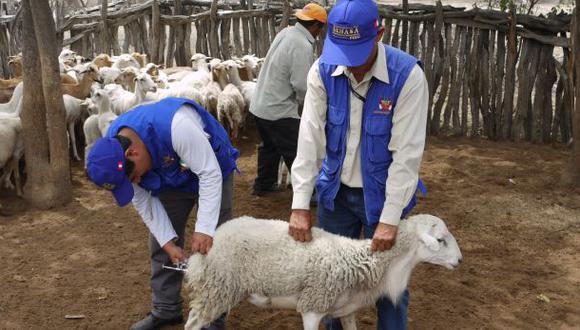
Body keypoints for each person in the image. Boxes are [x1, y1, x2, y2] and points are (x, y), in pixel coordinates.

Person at [288, 0, 429, 329]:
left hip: (382, 198)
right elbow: (309, 139)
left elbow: (407, 154)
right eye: (342, 52)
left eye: (357, 53)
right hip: (335, 196)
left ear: (379, 33)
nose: (350, 65)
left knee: (389, 287)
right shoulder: (322, 70)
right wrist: (299, 204)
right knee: (332, 281)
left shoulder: (407, 76)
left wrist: (390, 219)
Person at [86, 97, 239, 330]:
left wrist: (204, 229)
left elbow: (209, 174)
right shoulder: (115, 152)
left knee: (215, 244)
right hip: (171, 175)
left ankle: (213, 316)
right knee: (160, 245)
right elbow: (145, 204)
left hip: (212, 167)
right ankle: (166, 309)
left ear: (133, 153)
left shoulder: (178, 127)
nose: (136, 182)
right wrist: (169, 243)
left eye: (133, 177)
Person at [249, 3, 327, 196]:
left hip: (260, 105)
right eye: (321, 28)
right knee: (297, 151)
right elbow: (301, 84)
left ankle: (264, 185)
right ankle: (308, 194)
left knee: (269, 147)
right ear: (317, 26)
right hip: (279, 110)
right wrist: (308, 106)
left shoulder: (286, 33)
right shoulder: (301, 45)